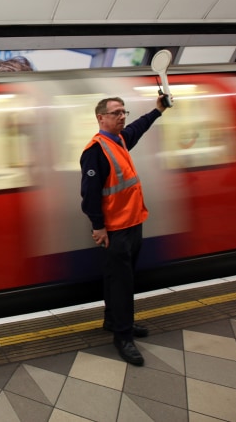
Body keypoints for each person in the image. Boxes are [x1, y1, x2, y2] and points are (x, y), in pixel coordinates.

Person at [80, 94, 170, 366]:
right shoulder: (95, 151)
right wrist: (98, 227)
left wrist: (158, 110)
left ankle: (113, 321)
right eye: (116, 113)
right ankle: (123, 336)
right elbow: (89, 195)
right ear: (101, 118)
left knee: (118, 278)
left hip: (133, 223)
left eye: (123, 112)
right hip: (116, 230)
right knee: (122, 284)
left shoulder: (119, 140)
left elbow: (138, 128)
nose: (122, 117)